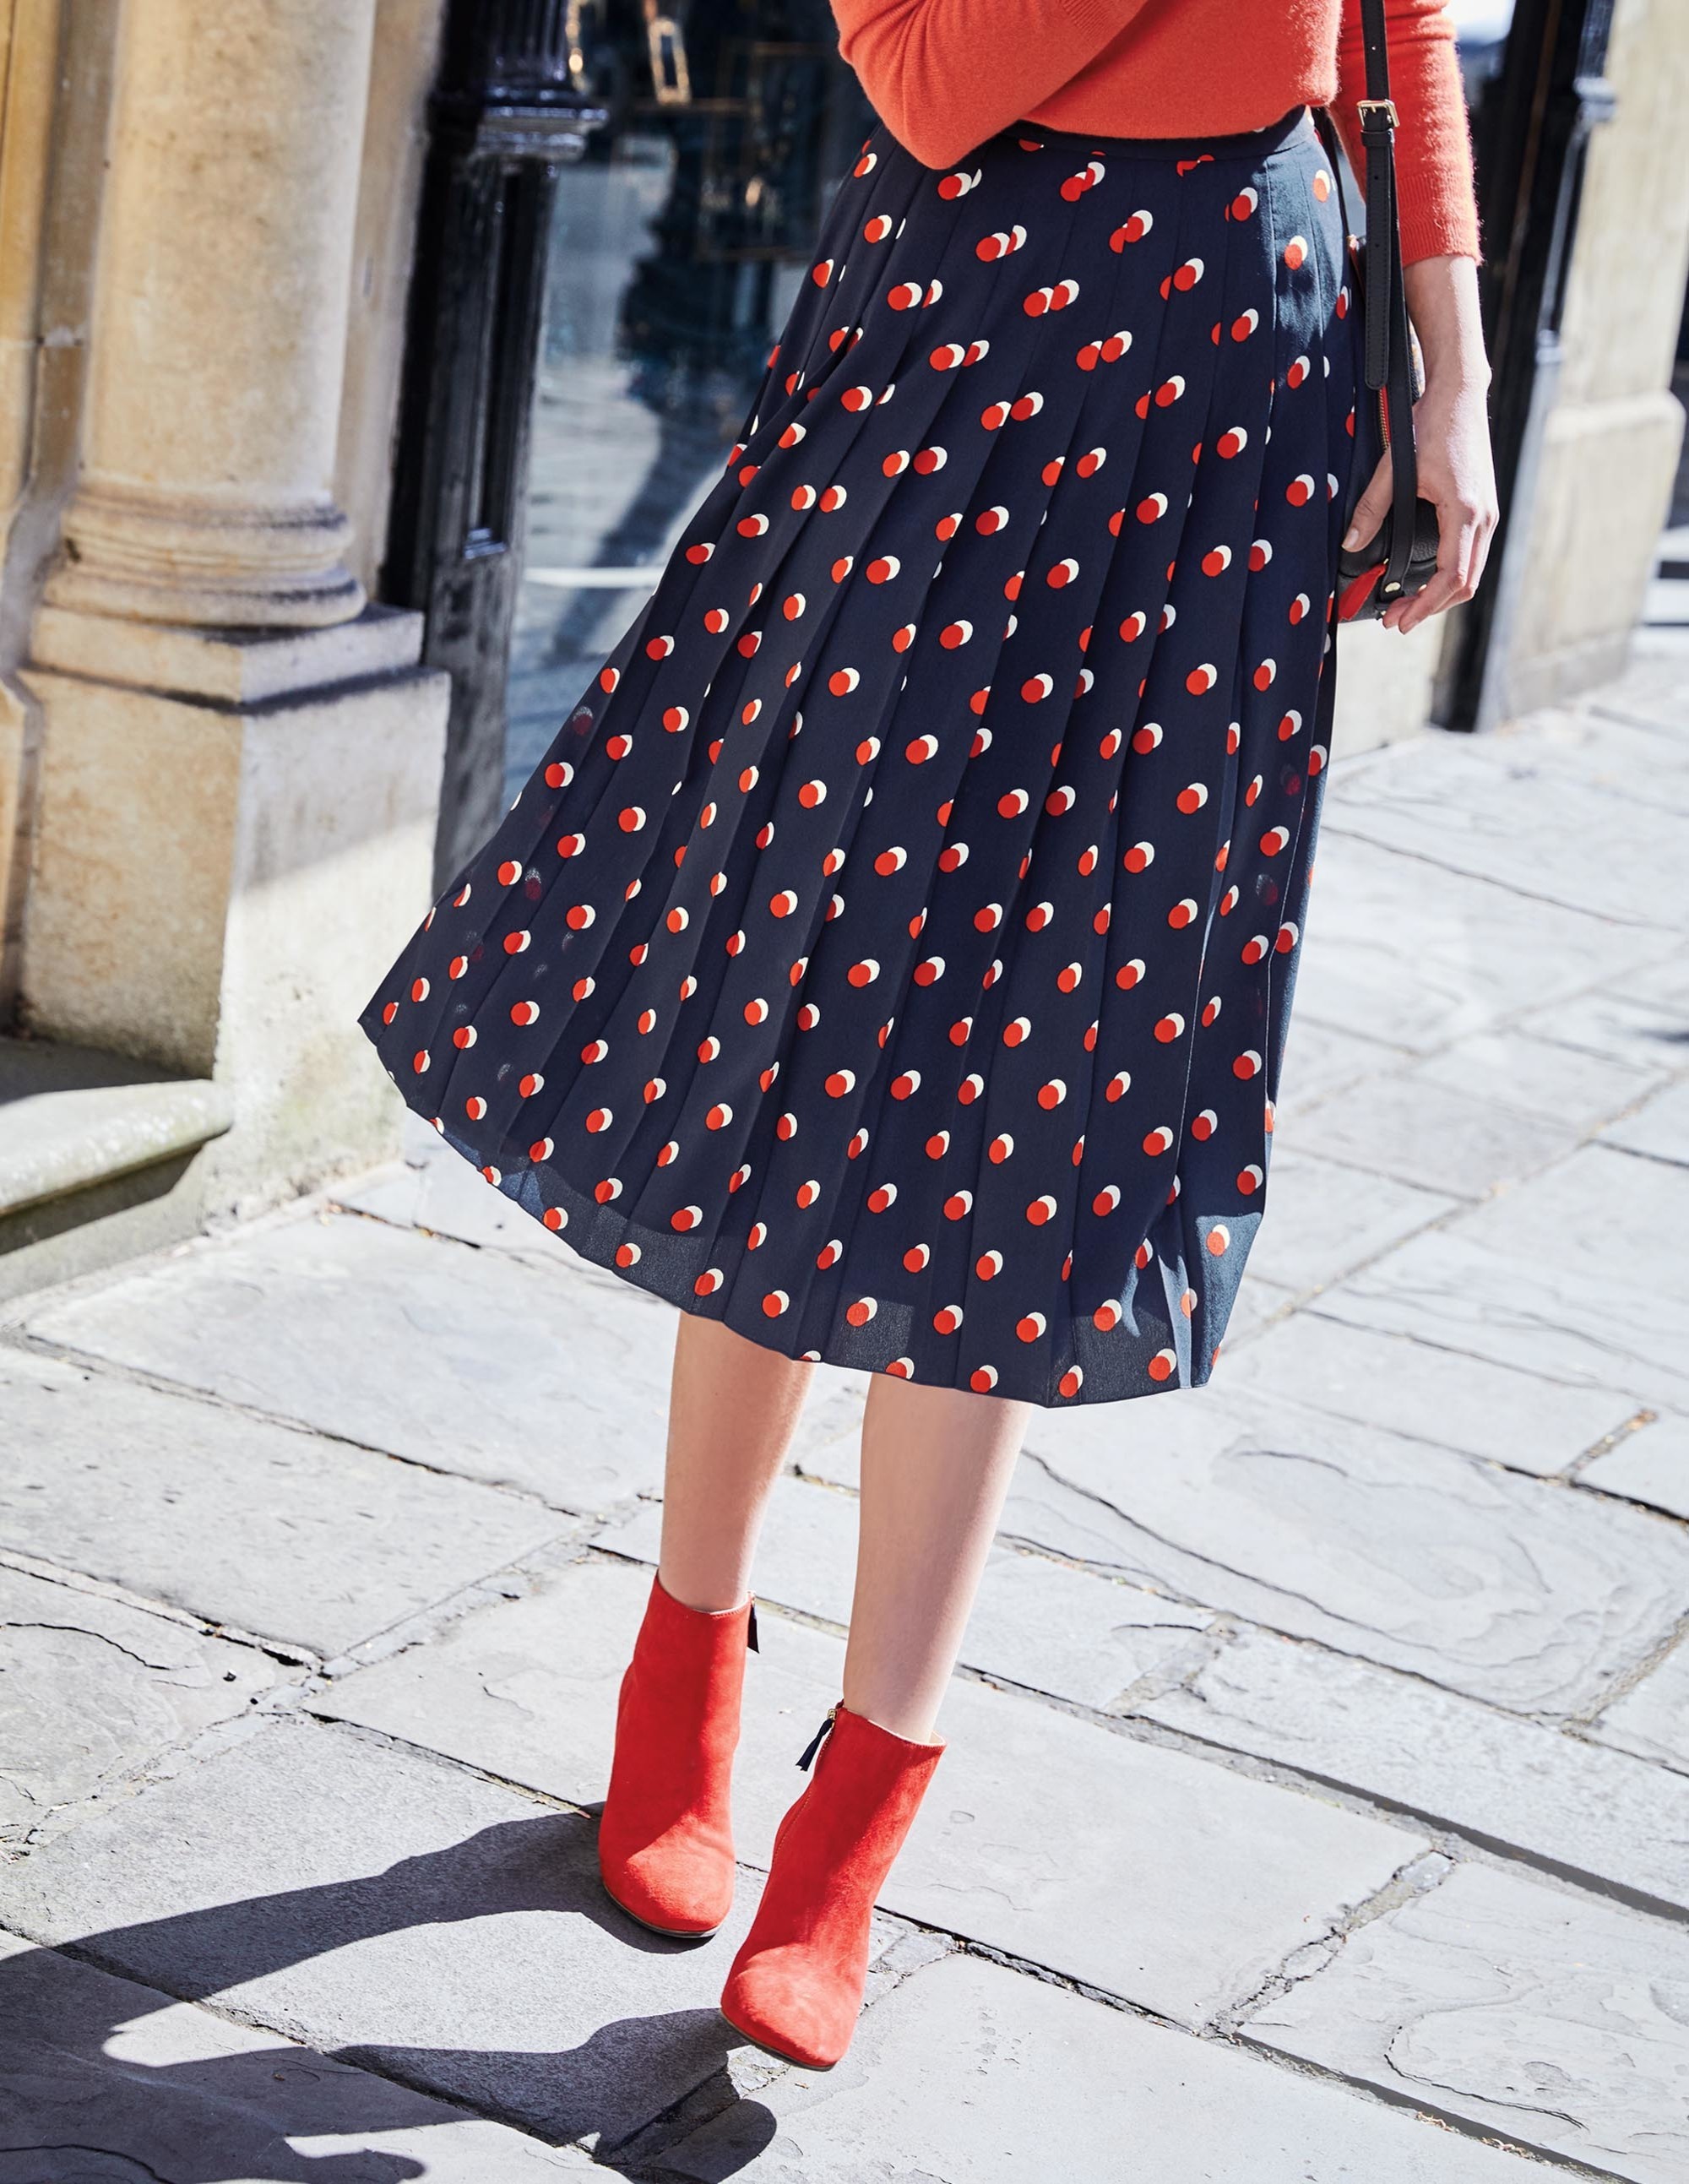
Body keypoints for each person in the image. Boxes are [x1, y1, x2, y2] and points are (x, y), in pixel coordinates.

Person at [359, 0, 1494, 2073]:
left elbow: (1402, 20)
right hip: (962, 357)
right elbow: (924, 76)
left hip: (1235, 375)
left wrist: (1454, 370)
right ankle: (685, 1663)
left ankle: (863, 1806)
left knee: (1042, 1099)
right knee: (806, 1021)